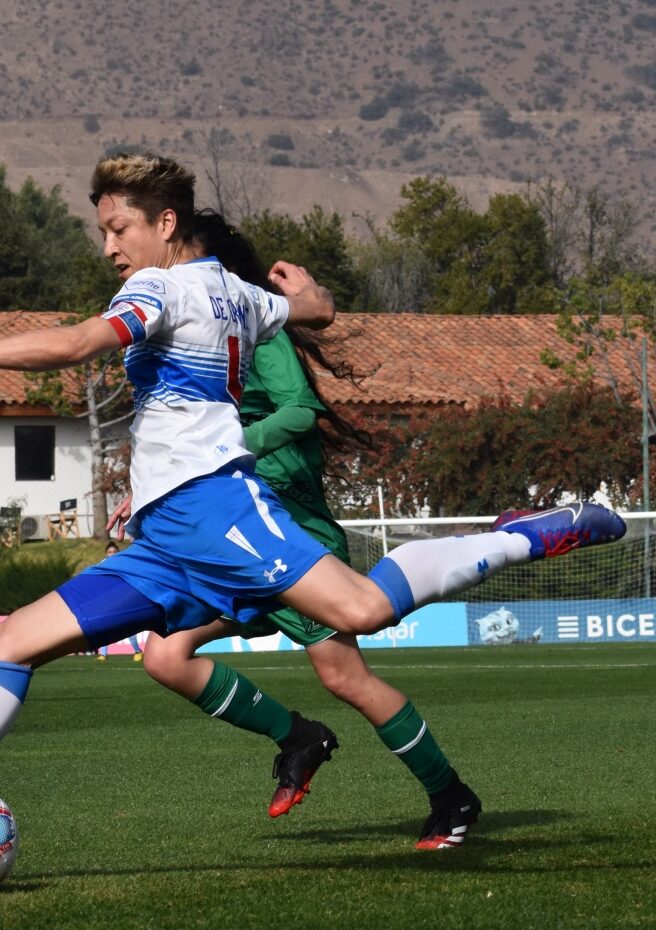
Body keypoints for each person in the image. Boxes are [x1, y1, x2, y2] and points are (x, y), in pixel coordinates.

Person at [0, 153, 625, 850]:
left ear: (165, 224)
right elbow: (309, 310)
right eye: (101, 232)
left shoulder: (161, 294)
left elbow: (73, 345)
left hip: (215, 507)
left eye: (119, 230)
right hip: (167, 537)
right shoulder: (234, 295)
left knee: (360, 614)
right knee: (14, 643)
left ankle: (523, 537)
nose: (108, 248)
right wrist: (315, 294)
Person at [129, 210, 481, 849]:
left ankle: (451, 796)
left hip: (292, 531)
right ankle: (297, 736)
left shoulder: (256, 328)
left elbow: (299, 410)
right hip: (235, 533)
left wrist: (230, 446)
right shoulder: (194, 332)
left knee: (345, 677)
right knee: (165, 654)